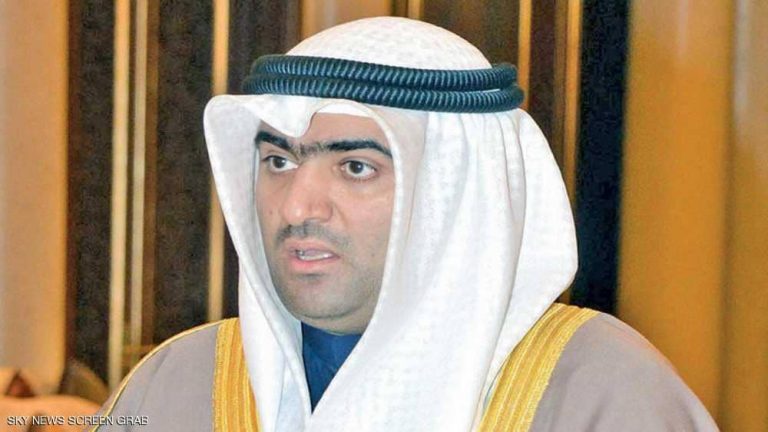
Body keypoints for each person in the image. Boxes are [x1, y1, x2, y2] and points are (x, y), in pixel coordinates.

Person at [92, 17, 718, 431]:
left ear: (455, 196)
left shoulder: (603, 394)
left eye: (356, 168)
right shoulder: (178, 384)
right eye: (278, 161)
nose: (298, 207)